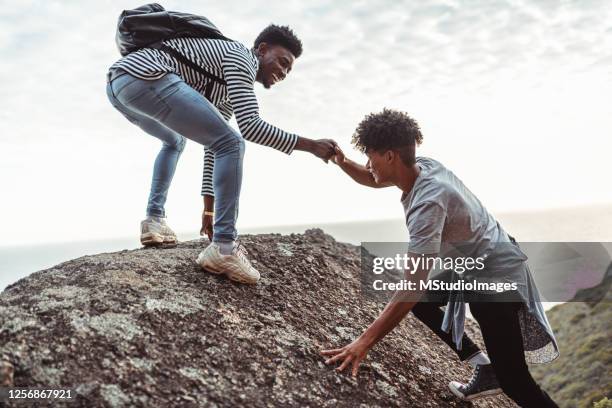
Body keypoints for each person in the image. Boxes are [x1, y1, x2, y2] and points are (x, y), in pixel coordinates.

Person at [321, 109, 559, 407]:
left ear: (391, 156)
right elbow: (373, 177)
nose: (369, 164)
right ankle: (483, 366)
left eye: (371, 156)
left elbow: (411, 286)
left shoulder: (428, 203)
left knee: (516, 383)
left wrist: (363, 342)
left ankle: (496, 375)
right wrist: (342, 161)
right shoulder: (422, 166)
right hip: (479, 265)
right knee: (425, 302)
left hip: (497, 279)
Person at [106, 24, 336, 284]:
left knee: (175, 142)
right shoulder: (240, 57)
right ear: (262, 50)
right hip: (147, 75)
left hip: (119, 85)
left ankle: (154, 220)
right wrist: (312, 146)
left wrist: (209, 213)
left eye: (289, 69)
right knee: (233, 143)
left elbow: (214, 147)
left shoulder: (224, 89)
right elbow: (250, 127)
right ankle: (225, 247)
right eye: (283, 62)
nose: (283, 72)